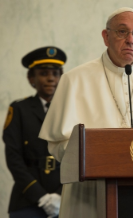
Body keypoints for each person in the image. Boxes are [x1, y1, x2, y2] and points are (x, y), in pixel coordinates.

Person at [39, 7, 133, 218]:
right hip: (90, 196)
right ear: (106, 36)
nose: (131, 39)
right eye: (122, 31)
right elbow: (56, 145)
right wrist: (95, 157)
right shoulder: (75, 80)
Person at [3, 46, 67, 218]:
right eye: (44, 73)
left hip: (66, 198)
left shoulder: (71, 110)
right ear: (31, 78)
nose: (50, 79)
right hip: (27, 199)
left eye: (55, 73)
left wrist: (61, 195)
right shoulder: (18, 109)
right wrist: (41, 197)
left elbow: (81, 156)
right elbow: (13, 157)